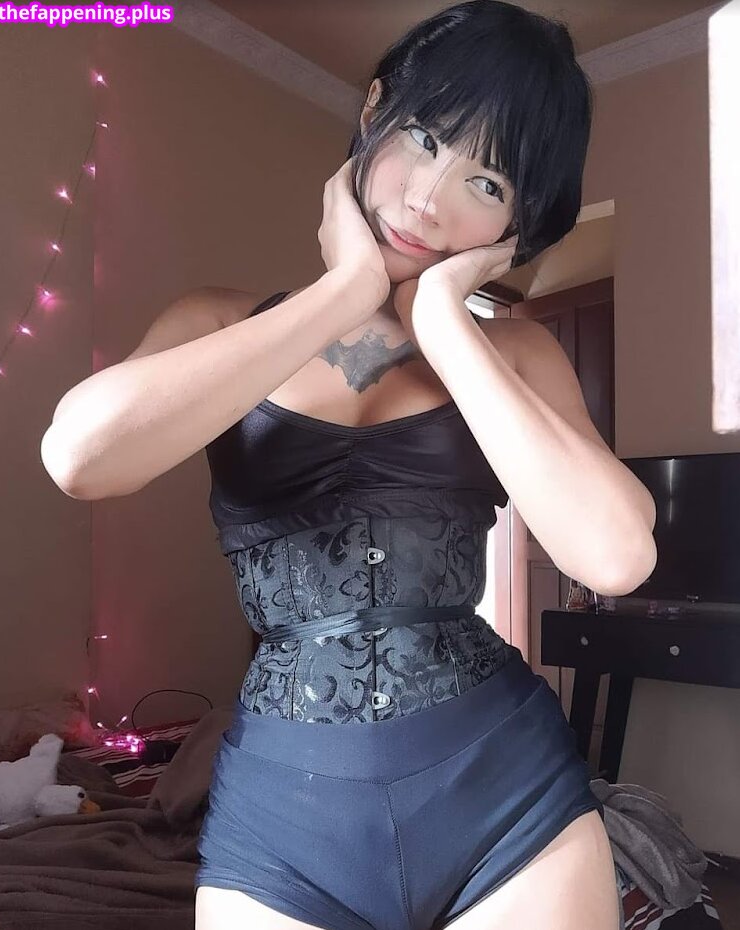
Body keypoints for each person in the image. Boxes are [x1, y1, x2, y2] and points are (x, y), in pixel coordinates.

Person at [191, 2, 642, 928]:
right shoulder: (216, 323)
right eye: (425, 138)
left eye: (486, 181)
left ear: (516, 222)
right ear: (373, 111)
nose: (429, 200)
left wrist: (442, 320)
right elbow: (80, 455)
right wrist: (345, 291)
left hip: (508, 798)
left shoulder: (514, 353)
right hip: (281, 822)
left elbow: (616, 557)